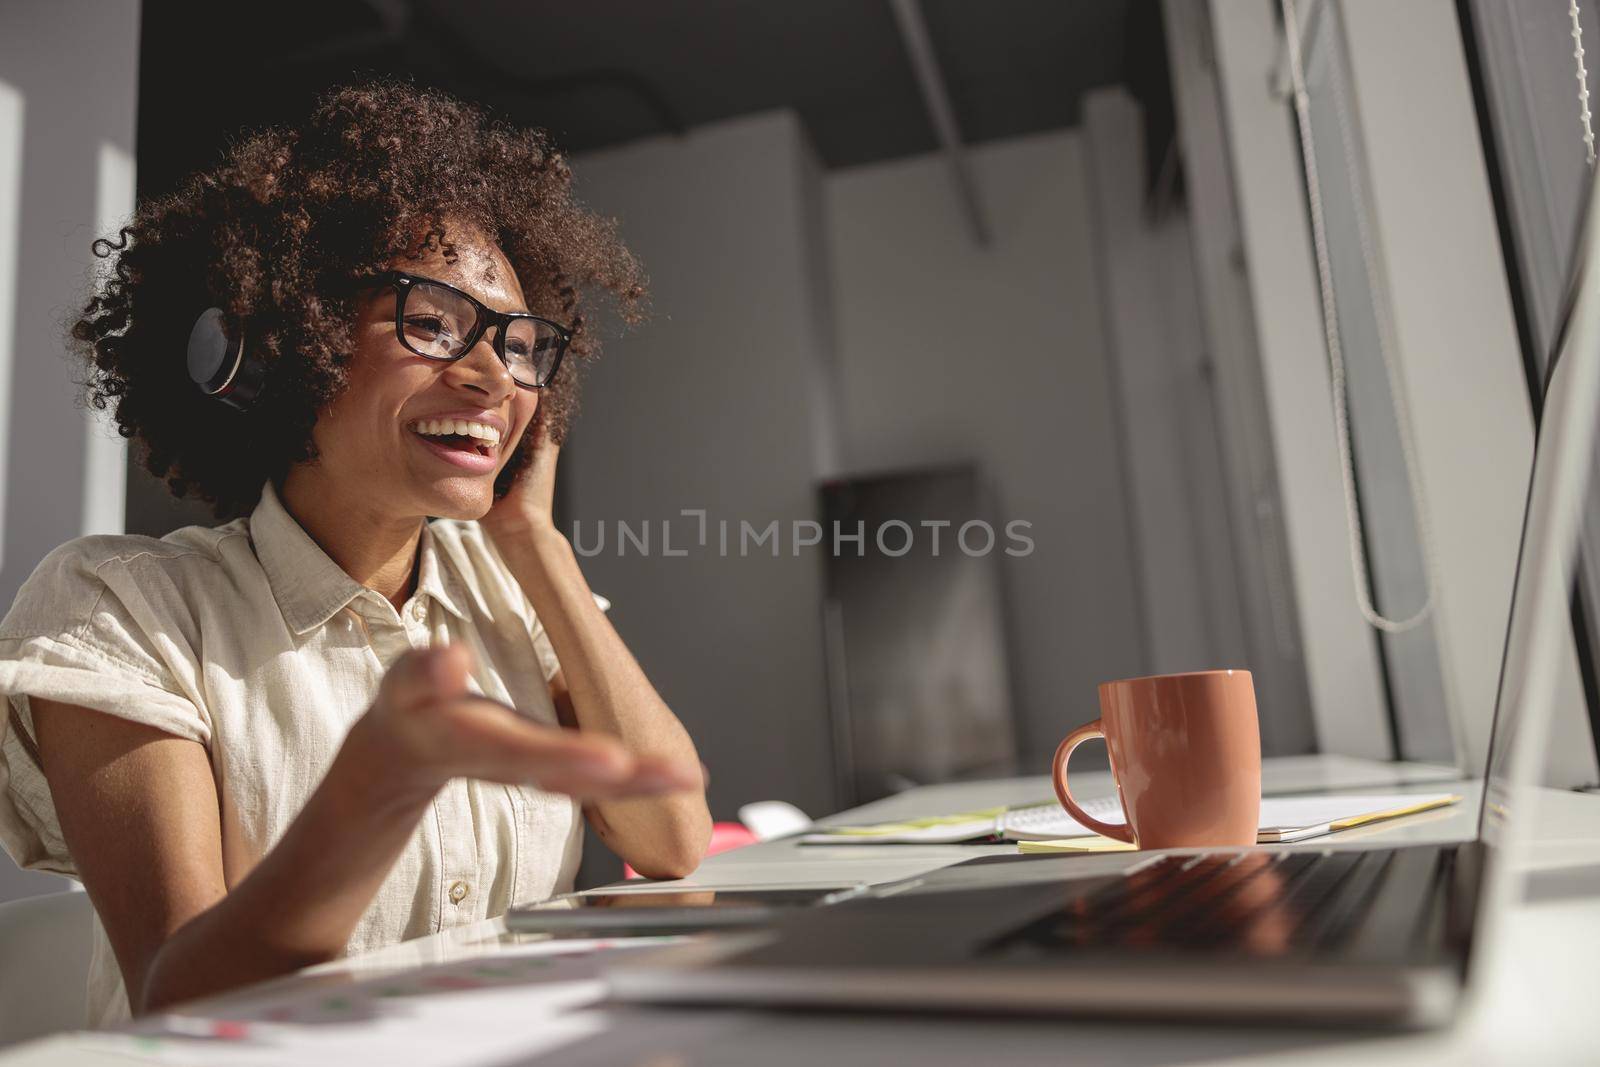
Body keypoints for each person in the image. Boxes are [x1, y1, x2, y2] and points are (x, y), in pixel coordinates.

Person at [0, 81, 711, 1025]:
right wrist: (373, 792)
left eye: (518, 342)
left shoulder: (505, 586)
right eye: (432, 321)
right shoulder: (120, 612)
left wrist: (533, 540)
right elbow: (184, 996)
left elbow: (671, 839)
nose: (494, 374)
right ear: (290, 344)